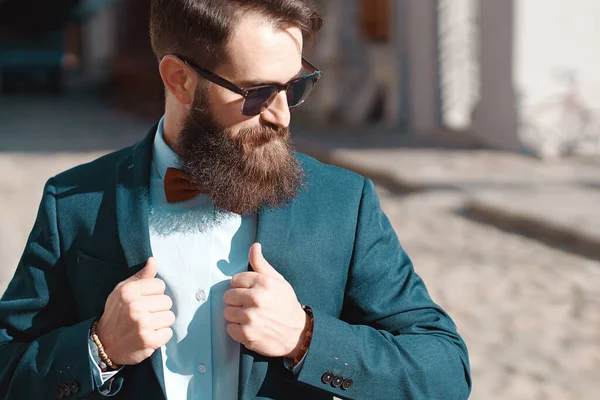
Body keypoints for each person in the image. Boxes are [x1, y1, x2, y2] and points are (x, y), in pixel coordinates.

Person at [0, 1, 471, 399]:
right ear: (179, 79)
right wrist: (98, 347)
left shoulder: (345, 203)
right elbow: (8, 365)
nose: (282, 117)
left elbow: (444, 369)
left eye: (295, 86)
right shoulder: (74, 201)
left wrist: (306, 339)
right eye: (259, 92)